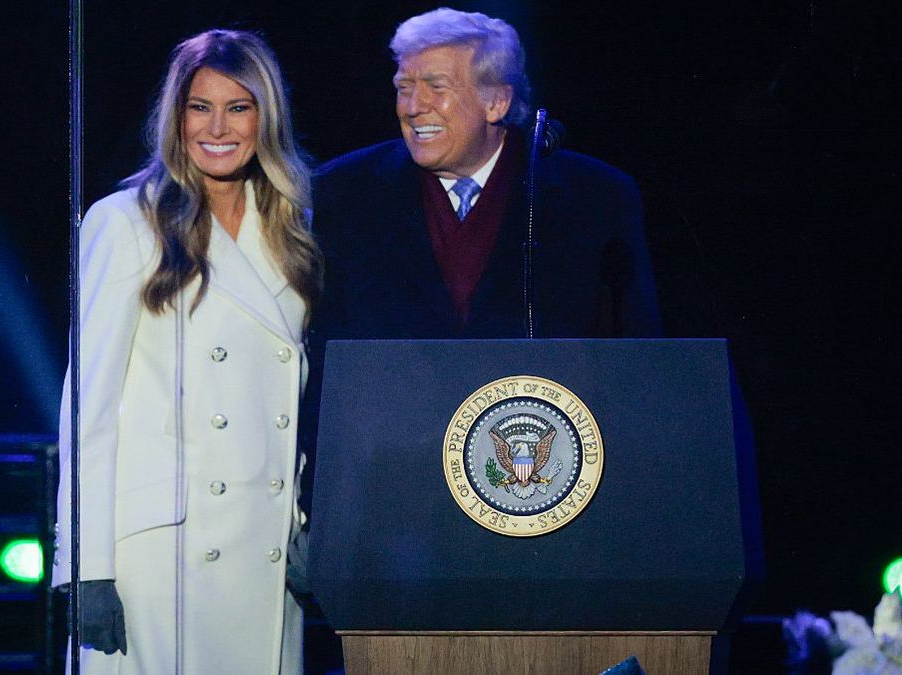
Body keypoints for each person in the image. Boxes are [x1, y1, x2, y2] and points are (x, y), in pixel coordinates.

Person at [300, 8, 662, 509]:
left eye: (436, 86)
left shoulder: (594, 198)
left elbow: (636, 363)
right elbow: (323, 364)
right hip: (390, 497)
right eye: (404, 87)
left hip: (542, 494)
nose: (413, 107)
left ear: (496, 101)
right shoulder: (343, 194)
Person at [52, 29, 321, 674]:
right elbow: (88, 408)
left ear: (265, 118)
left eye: (238, 107)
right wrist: (86, 566)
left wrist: (302, 523)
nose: (217, 128)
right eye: (200, 107)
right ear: (175, 118)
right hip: (157, 557)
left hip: (264, 550)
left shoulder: (290, 228)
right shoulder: (127, 221)